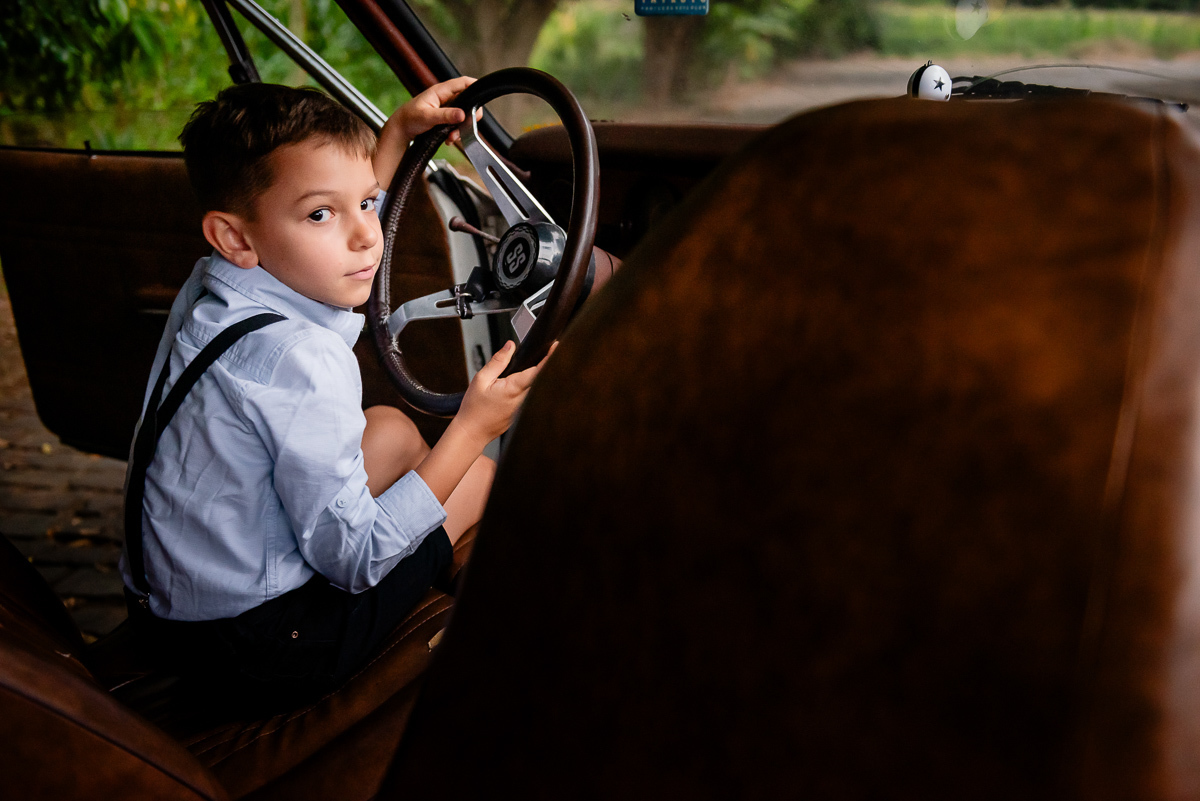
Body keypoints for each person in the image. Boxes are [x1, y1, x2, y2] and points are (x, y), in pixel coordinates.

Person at [119, 78, 547, 711]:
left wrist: (395, 137)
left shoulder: (213, 282)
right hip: (264, 648)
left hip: (166, 607)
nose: (367, 235)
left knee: (390, 428)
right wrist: (474, 428)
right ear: (236, 238)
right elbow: (353, 558)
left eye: (369, 202)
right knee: (478, 476)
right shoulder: (303, 359)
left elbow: (332, 206)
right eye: (322, 215)